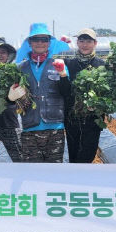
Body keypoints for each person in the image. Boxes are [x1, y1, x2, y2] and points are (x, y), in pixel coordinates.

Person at [16, 23, 71, 162]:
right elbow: (13, 100)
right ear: (29, 42)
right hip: (30, 127)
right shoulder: (20, 68)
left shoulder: (59, 65)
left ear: (49, 42)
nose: (40, 43)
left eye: (44, 39)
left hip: (55, 127)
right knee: (31, 173)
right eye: (36, 39)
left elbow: (67, 93)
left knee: (53, 173)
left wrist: (63, 74)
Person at [64, 28, 105, 163]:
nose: (85, 44)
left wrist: (98, 103)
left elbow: (108, 93)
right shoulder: (69, 64)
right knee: (73, 155)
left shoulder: (102, 66)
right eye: (82, 41)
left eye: (88, 41)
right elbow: (63, 91)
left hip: (93, 120)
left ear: (95, 43)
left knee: (88, 155)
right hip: (72, 119)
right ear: (77, 43)